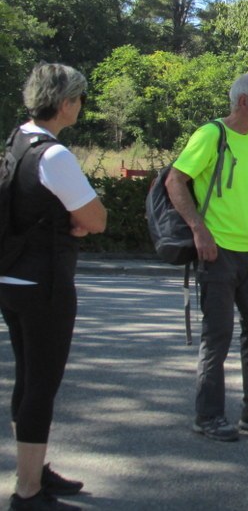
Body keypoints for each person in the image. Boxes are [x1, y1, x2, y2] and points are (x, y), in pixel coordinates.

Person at [166, 73, 248, 442]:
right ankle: (207, 415)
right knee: (218, 335)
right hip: (217, 251)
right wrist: (199, 229)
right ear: (243, 102)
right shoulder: (211, 135)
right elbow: (175, 180)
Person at [1, 63, 106, 511]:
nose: (81, 106)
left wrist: (69, 220)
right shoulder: (54, 154)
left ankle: (34, 469)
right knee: (42, 385)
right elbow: (97, 219)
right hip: (44, 281)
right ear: (65, 103)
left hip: (10, 275)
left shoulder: (16, 141)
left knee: (28, 379)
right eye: (79, 99)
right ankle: (27, 492)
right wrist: (76, 223)